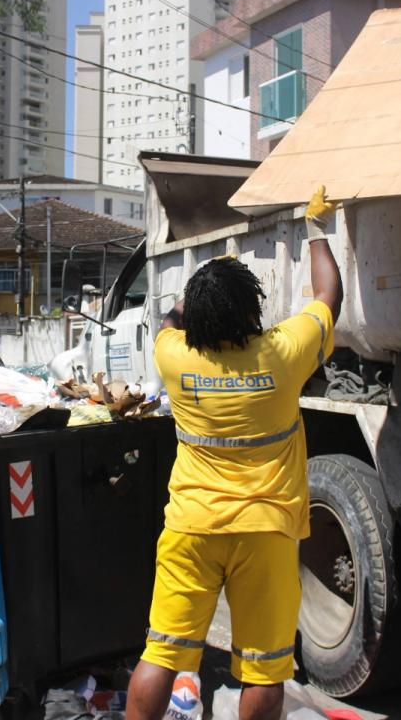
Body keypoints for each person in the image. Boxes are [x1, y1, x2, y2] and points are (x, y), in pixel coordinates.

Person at [126, 188, 343, 720]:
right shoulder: (282, 354)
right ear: (250, 310)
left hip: (192, 526)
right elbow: (328, 296)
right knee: (264, 669)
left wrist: (199, 288)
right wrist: (317, 231)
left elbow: (169, 321)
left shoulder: (174, 358)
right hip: (265, 530)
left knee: (162, 653)